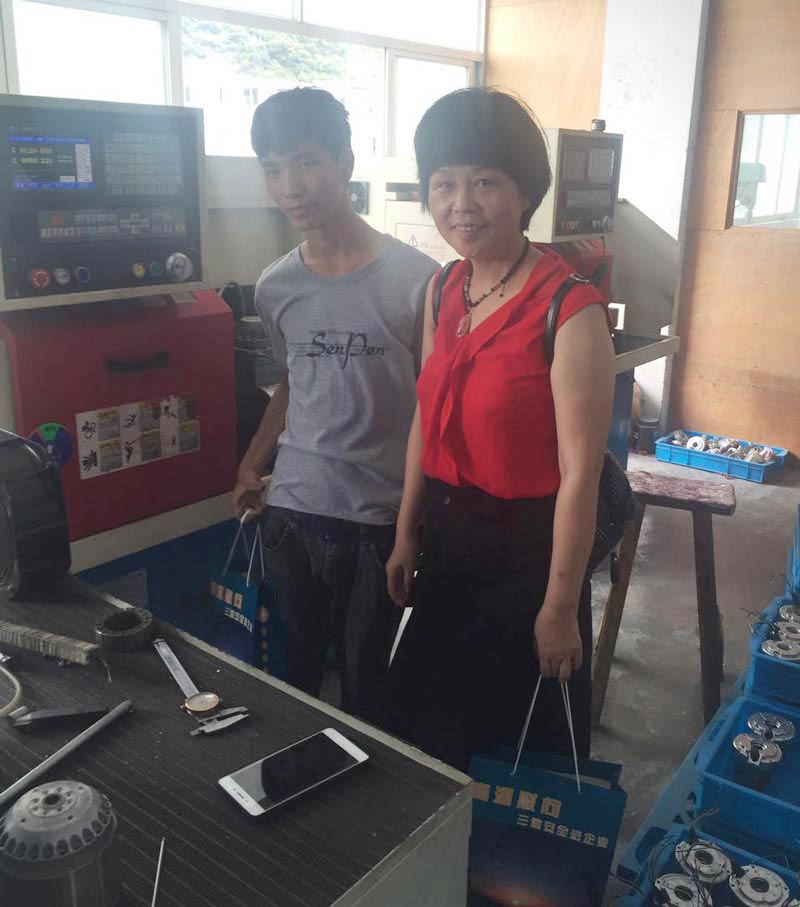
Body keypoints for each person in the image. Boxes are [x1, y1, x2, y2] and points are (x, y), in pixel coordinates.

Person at [385, 88, 615, 771]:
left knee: (509, 752)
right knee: (426, 732)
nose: (462, 204)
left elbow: (581, 475)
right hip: (449, 544)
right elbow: (426, 413)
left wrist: (560, 607)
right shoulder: (443, 288)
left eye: (485, 182)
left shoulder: (568, 309)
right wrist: (406, 530)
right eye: (444, 184)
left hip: (529, 559)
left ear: (525, 192)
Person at [233, 88, 438, 722]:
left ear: (345, 162)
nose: (291, 187)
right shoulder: (276, 286)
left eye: (306, 162)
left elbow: (432, 410)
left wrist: (412, 525)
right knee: (292, 676)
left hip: (377, 518)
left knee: (364, 686)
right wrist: (252, 462)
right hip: (292, 511)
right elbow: (294, 382)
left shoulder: (419, 280)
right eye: (273, 169)